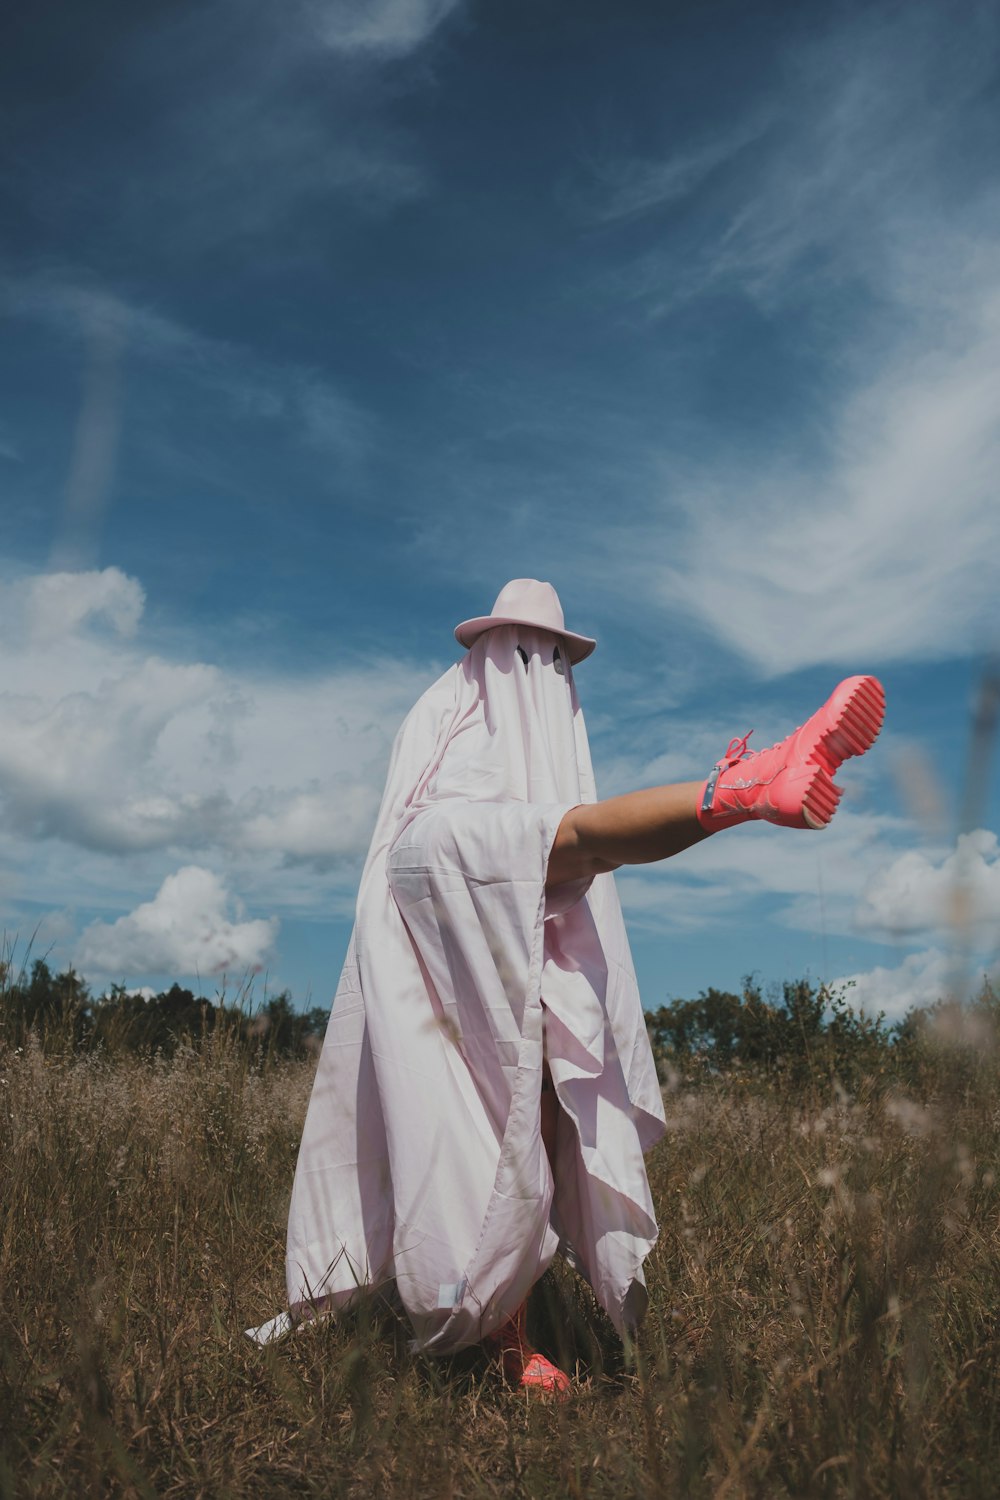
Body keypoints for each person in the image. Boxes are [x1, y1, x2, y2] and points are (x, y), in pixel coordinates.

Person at [271, 579, 884, 1395]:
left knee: (521, 1111)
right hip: (448, 850)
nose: (543, 673)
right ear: (502, 654)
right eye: (534, 655)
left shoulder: (444, 702)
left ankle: (501, 1331)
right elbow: (557, 830)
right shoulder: (461, 709)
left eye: (554, 659)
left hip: (447, 874)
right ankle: (738, 788)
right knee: (503, 1096)